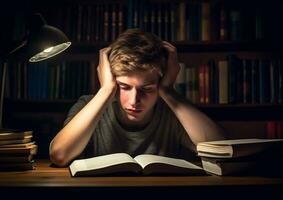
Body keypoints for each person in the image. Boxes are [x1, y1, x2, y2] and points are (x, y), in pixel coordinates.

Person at [49, 28, 227, 167]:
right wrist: (105, 90)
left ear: (161, 81)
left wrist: (167, 90)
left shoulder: (176, 111)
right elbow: (59, 155)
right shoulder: (89, 105)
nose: (134, 100)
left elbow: (224, 150)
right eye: (124, 87)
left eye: (147, 89)